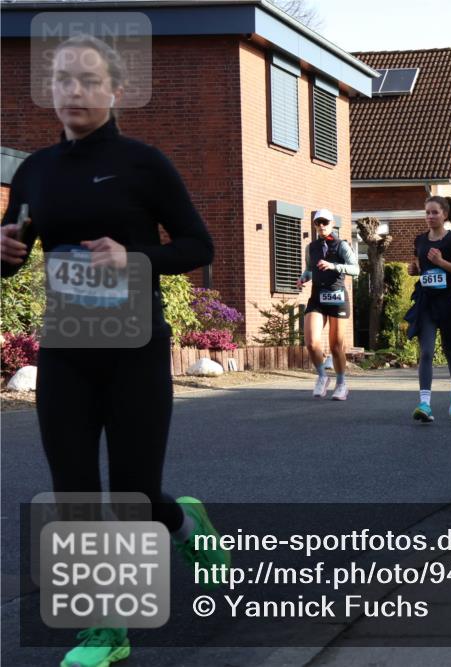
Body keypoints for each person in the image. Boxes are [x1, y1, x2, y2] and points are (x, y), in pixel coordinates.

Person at [0, 34, 229, 667]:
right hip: (66, 347)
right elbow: (14, 251)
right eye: (63, 79)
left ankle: (184, 524)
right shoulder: (35, 170)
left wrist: (135, 258)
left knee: (137, 495)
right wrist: (5, 250)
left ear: (116, 91)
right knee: (73, 492)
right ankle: (106, 628)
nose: (73, 91)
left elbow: (198, 246)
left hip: (135, 348)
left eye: (89, 80)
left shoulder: (143, 164)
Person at [405, 196, 451, 422]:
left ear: (445, 214)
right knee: (426, 351)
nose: (430, 216)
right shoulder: (420, 240)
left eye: (435, 212)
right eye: (427, 212)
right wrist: (414, 270)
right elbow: (419, 265)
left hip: (448, 301)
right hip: (426, 301)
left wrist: (442, 262)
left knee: (449, 349)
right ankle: (424, 403)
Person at [298, 210, 359, 400]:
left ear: (332, 224)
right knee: (311, 343)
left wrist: (334, 266)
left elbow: (356, 269)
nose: (321, 226)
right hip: (317, 297)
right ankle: (322, 376)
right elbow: (310, 270)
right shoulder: (311, 247)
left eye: (325, 222)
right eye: (318, 223)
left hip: (337, 297)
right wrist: (303, 278)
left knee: (336, 346)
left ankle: (341, 384)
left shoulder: (341, 245)